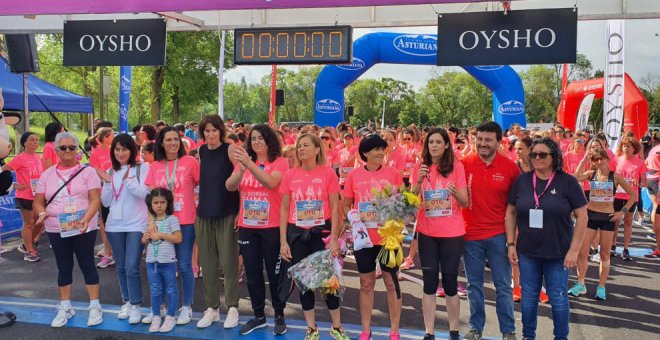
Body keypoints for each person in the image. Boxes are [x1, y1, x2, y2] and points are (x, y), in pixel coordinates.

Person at [505, 138, 588, 340]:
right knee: (528, 298)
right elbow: (511, 213)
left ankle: (561, 337)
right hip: (527, 252)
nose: (537, 158)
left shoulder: (567, 182)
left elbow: (583, 216)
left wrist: (574, 250)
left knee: (558, 298)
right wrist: (510, 244)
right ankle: (528, 336)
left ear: (554, 157)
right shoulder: (522, 181)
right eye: (533, 154)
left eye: (543, 155)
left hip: (558, 253)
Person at [279, 133, 350, 340]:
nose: (301, 149)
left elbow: (335, 207)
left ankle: (337, 326)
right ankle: (311, 328)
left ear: (317, 149)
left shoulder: (328, 174)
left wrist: (335, 237)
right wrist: (283, 240)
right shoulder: (290, 175)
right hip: (297, 234)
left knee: (328, 283)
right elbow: (284, 208)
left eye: (306, 145)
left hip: (322, 235)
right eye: (299, 146)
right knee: (305, 283)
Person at [32, 132, 102, 328]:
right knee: (63, 266)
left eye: (72, 147)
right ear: (56, 150)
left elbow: (95, 199)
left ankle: (95, 306)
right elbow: (38, 201)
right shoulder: (47, 175)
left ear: (77, 150)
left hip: (83, 226)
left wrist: (86, 219)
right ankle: (65, 306)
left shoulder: (88, 172)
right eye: (63, 148)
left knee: (87, 263)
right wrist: (42, 213)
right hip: (56, 227)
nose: (68, 151)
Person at [226, 124, 288, 335]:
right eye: (253, 139)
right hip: (248, 226)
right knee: (252, 273)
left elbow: (271, 183)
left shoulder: (280, 163)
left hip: (272, 227)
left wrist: (249, 164)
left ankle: (279, 314)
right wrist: (242, 169)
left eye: (261, 138)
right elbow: (230, 186)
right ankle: (259, 316)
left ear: (269, 140)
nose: (256, 142)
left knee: (275, 273)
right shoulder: (245, 164)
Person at [460, 122, 520, 340]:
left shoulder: (510, 168)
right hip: (469, 235)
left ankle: (508, 331)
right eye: (480, 139)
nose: (483, 144)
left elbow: (516, 207)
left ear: (498, 141)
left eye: (488, 140)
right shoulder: (463, 164)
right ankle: (476, 328)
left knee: (503, 285)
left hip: (499, 235)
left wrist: (513, 240)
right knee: (473, 285)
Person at [342, 134, 403, 340]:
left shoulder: (394, 174)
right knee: (366, 284)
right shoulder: (354, 176)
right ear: (364, 154)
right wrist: (352, 218)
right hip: (364, 239)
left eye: (382, 148)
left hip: (388, 238)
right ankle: (365, 330)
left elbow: (402, 203)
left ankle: (394, 330)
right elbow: (346, 203)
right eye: (375, 149)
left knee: (391, 283)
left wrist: (396, 219)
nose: (379, 152)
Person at [409, 129, 468, 340]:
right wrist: (418, 181)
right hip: (427, 232)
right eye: (430, 142)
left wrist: (455, 193)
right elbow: (411, 200)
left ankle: (454, 330)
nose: (433, 145)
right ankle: (429, 332)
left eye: (438, 142)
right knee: (429, 282)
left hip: (452, 233)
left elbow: (465, 202)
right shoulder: (420, 167)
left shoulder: (457, 166)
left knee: (450, 282)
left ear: (445, 145)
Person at [145, 126, 200, 325]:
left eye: (175, 139)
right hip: (161, 224)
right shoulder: (154, 166)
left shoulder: (190, 162)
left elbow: (201, 186)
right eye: (168, 140)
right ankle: (159, 308)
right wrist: (151, 224)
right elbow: (150, 199)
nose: (172, 143)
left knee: (185, 265)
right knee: (160, 266)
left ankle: (186, 306)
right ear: (161, 143)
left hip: (185, 221)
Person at [194, 115, 241, 329]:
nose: (210, 134)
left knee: (229, 263)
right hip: (204, 213)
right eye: (207, 131)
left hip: (227, 212)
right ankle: (212, 308)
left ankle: (232, 307)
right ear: (202, 133)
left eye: (214, 130)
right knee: (208, 263)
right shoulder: (202, 151)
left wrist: (240, 211)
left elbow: (241, 177)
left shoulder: (230, 149)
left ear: (220, 131)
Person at [570, 149, 637, 300]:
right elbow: (574, 179)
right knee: (582, 252)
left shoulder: (615, 177)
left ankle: (601, 286)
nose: (599, 162)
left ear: (607, 159)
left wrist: (622, 212)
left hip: (607, 218)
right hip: (591, 216)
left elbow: (633, 195)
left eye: (602, 159)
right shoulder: (590, 174)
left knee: (605, 254)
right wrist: (583, 162)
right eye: (596, 160)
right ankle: (581, 284)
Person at [98, 134, 150, 324]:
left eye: (124, 149)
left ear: (132, 150)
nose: (121, 153)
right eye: (117, 149)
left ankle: (136, 305)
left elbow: (145, 194)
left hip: (137, 224)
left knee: (131, 267)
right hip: (114, 225)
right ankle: (127, 301)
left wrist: (128, 181)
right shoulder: (110, 171)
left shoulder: (142, 168)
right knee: (120, 266)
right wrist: (106, 183)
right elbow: (105, 201)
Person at [142, 187, 182, 333]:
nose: (159, 205)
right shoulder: (150, 222)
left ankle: (171, 316)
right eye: (156, 202)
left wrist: (162, 235)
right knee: (154, 290)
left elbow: (178, 238)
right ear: (151, 205)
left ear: (168, 203)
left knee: (171, 289)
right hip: (151, 262)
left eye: (162, 202)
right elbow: (143, 240)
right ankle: (157, 316)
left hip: (168, 262)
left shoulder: (172, 219)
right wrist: (145, 238)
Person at [2, 132, 45, 261]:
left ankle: (27, 244)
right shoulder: (20, 158)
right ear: (24, 142)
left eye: (37, 140)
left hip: (38, 195)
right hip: (24, 195)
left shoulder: (38, 157)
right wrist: (14, 185)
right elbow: (3, 170)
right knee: (29, 223)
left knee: (41, 221)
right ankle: (29, 250)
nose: (35, 142)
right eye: (31, 140)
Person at [613, 136, 647, 260]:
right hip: (617, 196)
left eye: (628, 146)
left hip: (631, 197)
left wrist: (637, 182)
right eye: (624, 146)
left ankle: (626, 249)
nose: (625, 148)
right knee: (615, 221)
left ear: (634, 149)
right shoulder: (616, 160)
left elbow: (644, 183)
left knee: (628, 221)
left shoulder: (640, 162)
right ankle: (613, 246)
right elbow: (610, 178)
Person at [89, 127, 116, 269]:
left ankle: (116, 251)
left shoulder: (116, 150)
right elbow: (94, 172)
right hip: (103, 191)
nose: (114, 137)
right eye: (112, 135)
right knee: (104, 222)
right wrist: (106, 180)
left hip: (119, 192)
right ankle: (108, 253)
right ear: (105, 138)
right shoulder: (96, 153)